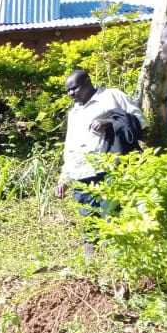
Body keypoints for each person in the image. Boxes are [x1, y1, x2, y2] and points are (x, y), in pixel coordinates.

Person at [55, 69, 144, 257]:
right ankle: (91, 263)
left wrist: (110, 122)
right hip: (81, 173)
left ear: (88, 81)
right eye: (68, 91)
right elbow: (70, 146)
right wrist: (64, 177)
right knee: (89, 219)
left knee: (113, 215)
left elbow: (139, 121)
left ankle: (118, 261)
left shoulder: (112, 96)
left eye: (75, 88)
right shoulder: (74, 113)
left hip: (109, 169)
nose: (71, 94)